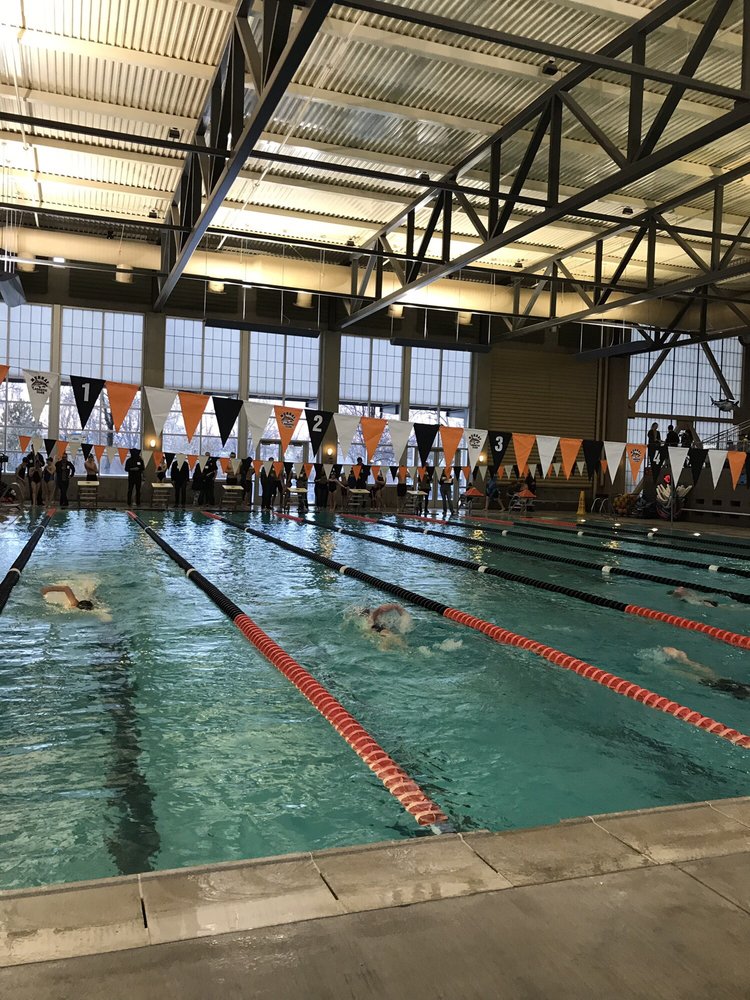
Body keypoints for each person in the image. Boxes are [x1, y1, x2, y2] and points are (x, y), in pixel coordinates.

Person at [659, 646, 750, 700]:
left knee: (712, 675)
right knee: (693, 678)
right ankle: (662, 667)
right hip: (725, 688)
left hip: (733, 684)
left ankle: (683, 659)